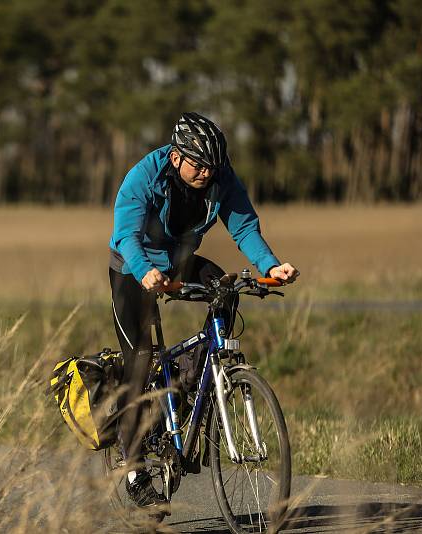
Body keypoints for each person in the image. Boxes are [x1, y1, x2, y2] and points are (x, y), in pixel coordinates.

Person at [108, 112, 299, 507]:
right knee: (140, 360)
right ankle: (132, 467)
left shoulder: (221, 177)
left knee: (227, 290)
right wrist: (145, 272)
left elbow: (244, 227)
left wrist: (270, 266)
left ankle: (199, 376)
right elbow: (125, 234)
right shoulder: (144, 176)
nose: (206, 174)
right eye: (199, 166)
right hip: (132, 266)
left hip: (178, 260)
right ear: (177, 157)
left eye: (213, 168)